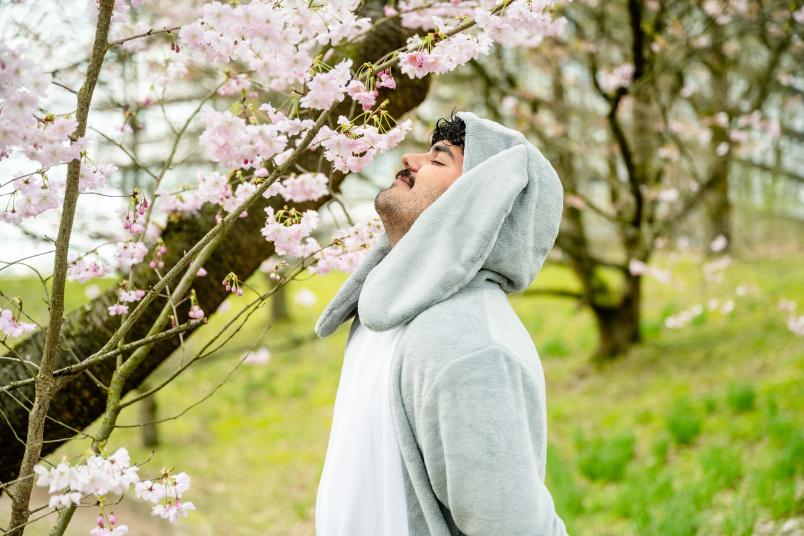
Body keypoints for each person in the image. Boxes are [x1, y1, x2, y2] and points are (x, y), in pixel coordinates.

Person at [314, 110, 568, 536]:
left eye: (437, 160)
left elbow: (512, 526)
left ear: (479, 201)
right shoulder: (389, 316)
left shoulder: (466, 342)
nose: (409, 159)